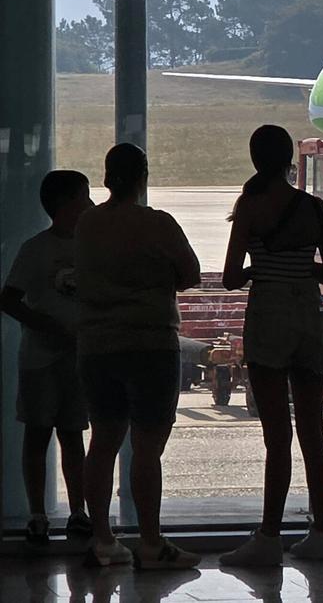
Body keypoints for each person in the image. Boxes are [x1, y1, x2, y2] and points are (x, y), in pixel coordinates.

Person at [219, 125, 323, 567]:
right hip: (309, 319)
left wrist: (261, 271)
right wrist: (302, 271)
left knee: (277, 436)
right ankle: (321, 532)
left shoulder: (250, 207)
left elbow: (232, 275)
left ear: (255, 159)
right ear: (289, 159)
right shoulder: (312, 208)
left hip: (268, 317)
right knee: (314, 433)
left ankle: (269, 534)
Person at [75, 143, 202, 569]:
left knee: (103, 442)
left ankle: (104, 540)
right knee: (147, 449)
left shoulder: (87, 224)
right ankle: (150, 542)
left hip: (97, 346)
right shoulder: (158, 224)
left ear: (107, 176)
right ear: (143, 176)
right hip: (151, 345)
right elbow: (191, 275)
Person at [0, 170, 94, 544]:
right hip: (41, 358)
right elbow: (8, 298)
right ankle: (37, 512)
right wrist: (45, 324)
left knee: (73, 434)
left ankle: (77, 511)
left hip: (76, 357)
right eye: (83, 197)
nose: (89, 204)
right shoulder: (35, 249)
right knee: (39, 434)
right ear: (65, 204)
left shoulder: (91, 247)